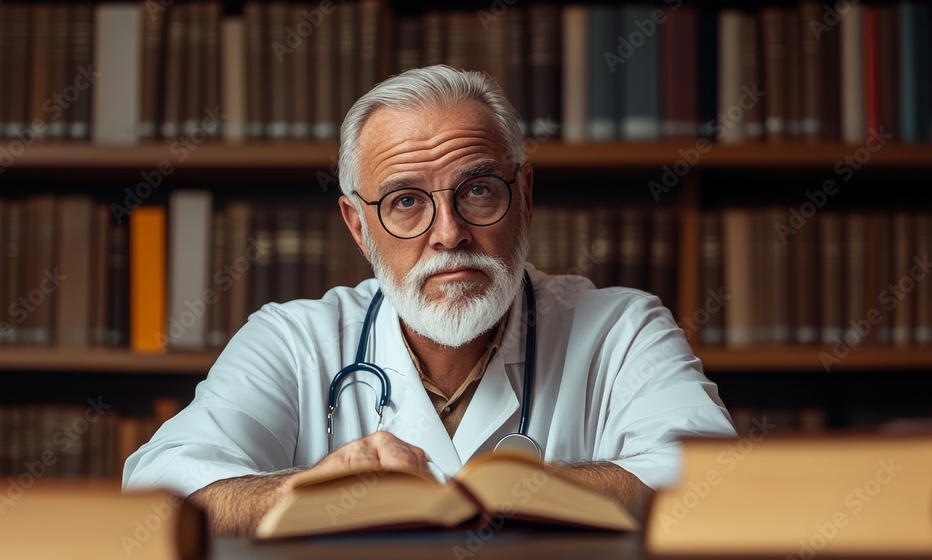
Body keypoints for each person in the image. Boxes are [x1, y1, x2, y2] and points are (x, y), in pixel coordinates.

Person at [122, 65, 736, 535]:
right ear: (359, 227)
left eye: (477, 190)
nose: (448, 233)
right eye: (406, 201)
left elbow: (717, 484)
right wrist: (308, 492)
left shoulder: (624, 330)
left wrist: (533, 491)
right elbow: (159, 487)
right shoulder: (292, 339)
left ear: (523, 196)